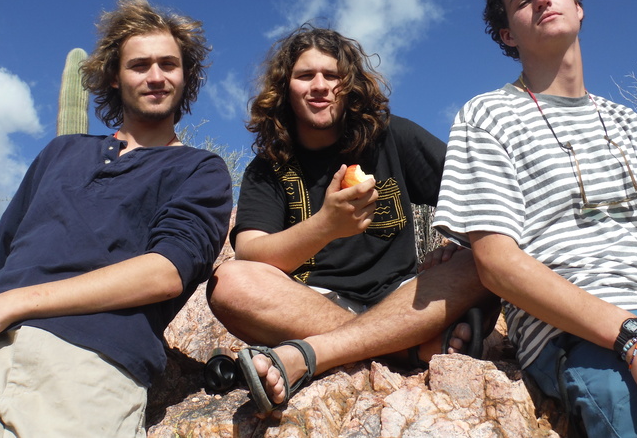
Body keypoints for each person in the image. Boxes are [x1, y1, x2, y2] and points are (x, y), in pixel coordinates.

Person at [433, 0, 637, 438]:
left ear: (578, 7)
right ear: (506, 35)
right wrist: (633, 336)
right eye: (522, 0)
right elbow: (497, 263)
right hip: (587, 337)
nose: (541, 0)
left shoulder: (627, 121)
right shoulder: (487, 115)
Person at [0, 0, 233, 437]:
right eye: (139, 65)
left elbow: (167, 271)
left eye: (169, 64)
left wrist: (8, 304)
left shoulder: (199, 169)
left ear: (186, 77)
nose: (155, 76)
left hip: (87, 367)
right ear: (114, 77)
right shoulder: (60, 152)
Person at [207, 24, 497, 414]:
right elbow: (251, 253)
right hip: (313, 304)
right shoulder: (268, 168)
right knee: (230, 281)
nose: (320, 86)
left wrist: (454, 244)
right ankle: (408, 348)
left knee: (488, 255)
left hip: (405, 296)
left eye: (332, 75)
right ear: (285, 89)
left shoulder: (391, 136)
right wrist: (326, 225)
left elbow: (482, 196)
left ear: (350, 85)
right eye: (305, 75)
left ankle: (317, 353)